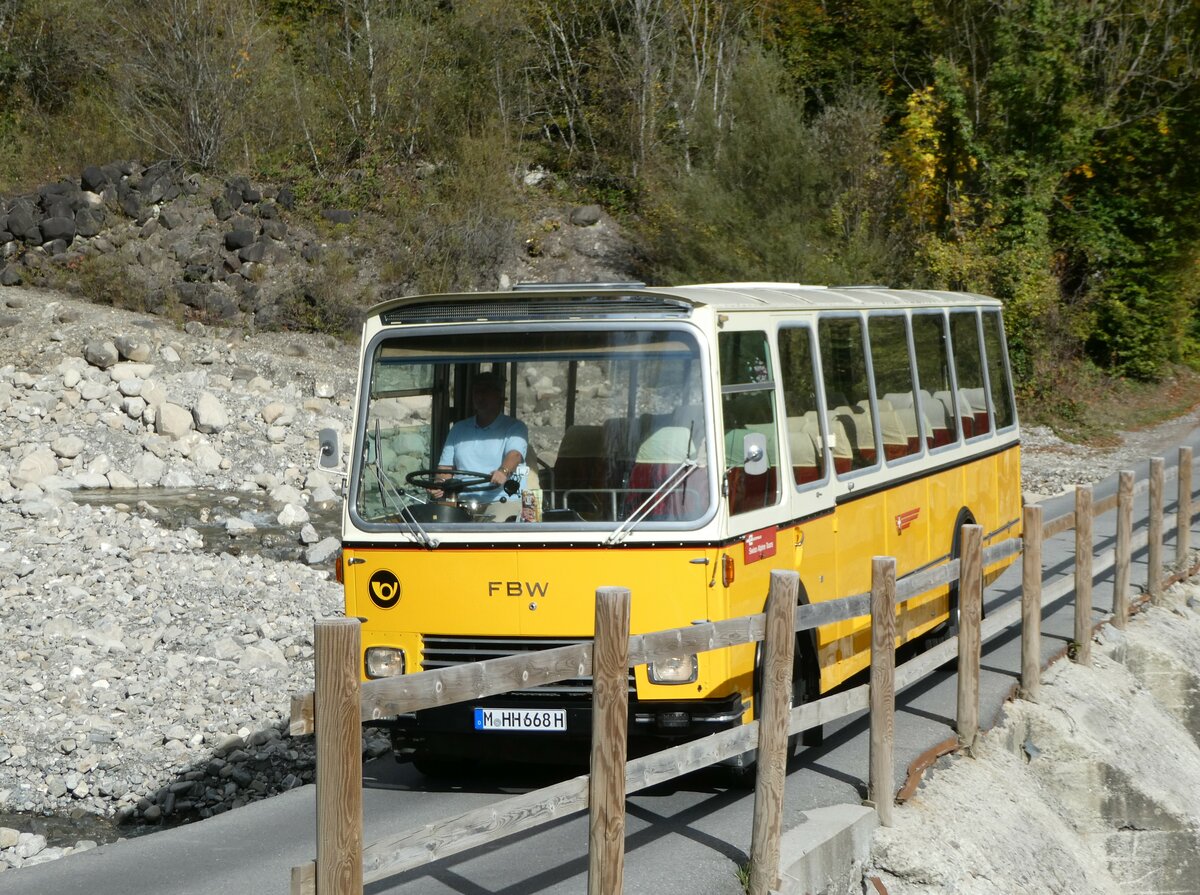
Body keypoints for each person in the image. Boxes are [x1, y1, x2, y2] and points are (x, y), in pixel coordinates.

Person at [432, 371, 528, 503]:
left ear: (499, 396)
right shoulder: (458, 429)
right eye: (476, 392)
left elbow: (515, 455)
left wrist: (503, 472)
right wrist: (439, 483)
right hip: (462, 500)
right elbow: (445, 468)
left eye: (486, 392)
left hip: (503, 500)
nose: (480, 397)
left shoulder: (515, 427)